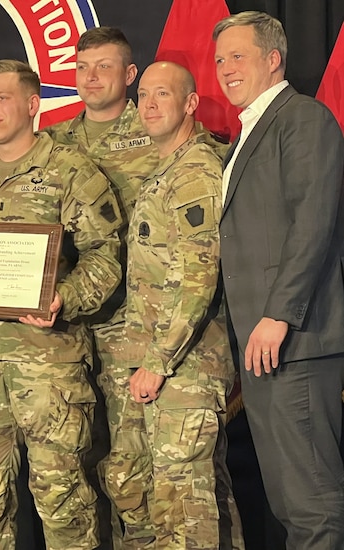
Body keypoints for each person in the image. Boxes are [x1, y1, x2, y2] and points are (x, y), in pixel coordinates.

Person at [0, 59, 123, 550]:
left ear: (32, 104)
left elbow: (107, 256)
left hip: (49, 365)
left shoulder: (71, 172)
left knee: (62, 503)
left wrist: (66, 297)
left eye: (2, 98)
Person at [214, 11, 344, 549]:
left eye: (237, 56)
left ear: (274, 59)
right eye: (219, 59)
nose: (224, 69)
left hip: (294, 339)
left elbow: (312, 222)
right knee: (289, 502)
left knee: (311, 502)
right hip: (262, 346)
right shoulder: (246, 134)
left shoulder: (303, 120)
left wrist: (278, 314)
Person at [44, 27, 157, 547]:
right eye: (83, 67)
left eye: (105, 67)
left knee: (136, 469)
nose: (91, 78)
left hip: (136, 325)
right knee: (78, 464)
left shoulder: (160, 133)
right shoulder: (55, 144)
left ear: (130, 75)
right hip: (67, 326)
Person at [126, 61, 244, 549]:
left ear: (191, 103)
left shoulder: (194, 171)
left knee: (182, 514)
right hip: (179, 367)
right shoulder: (171, 167)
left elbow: (197, 278)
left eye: (162, 95)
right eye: (143, 96)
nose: (149, 105)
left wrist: (157, 362)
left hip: (186, 368)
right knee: (204, 497)